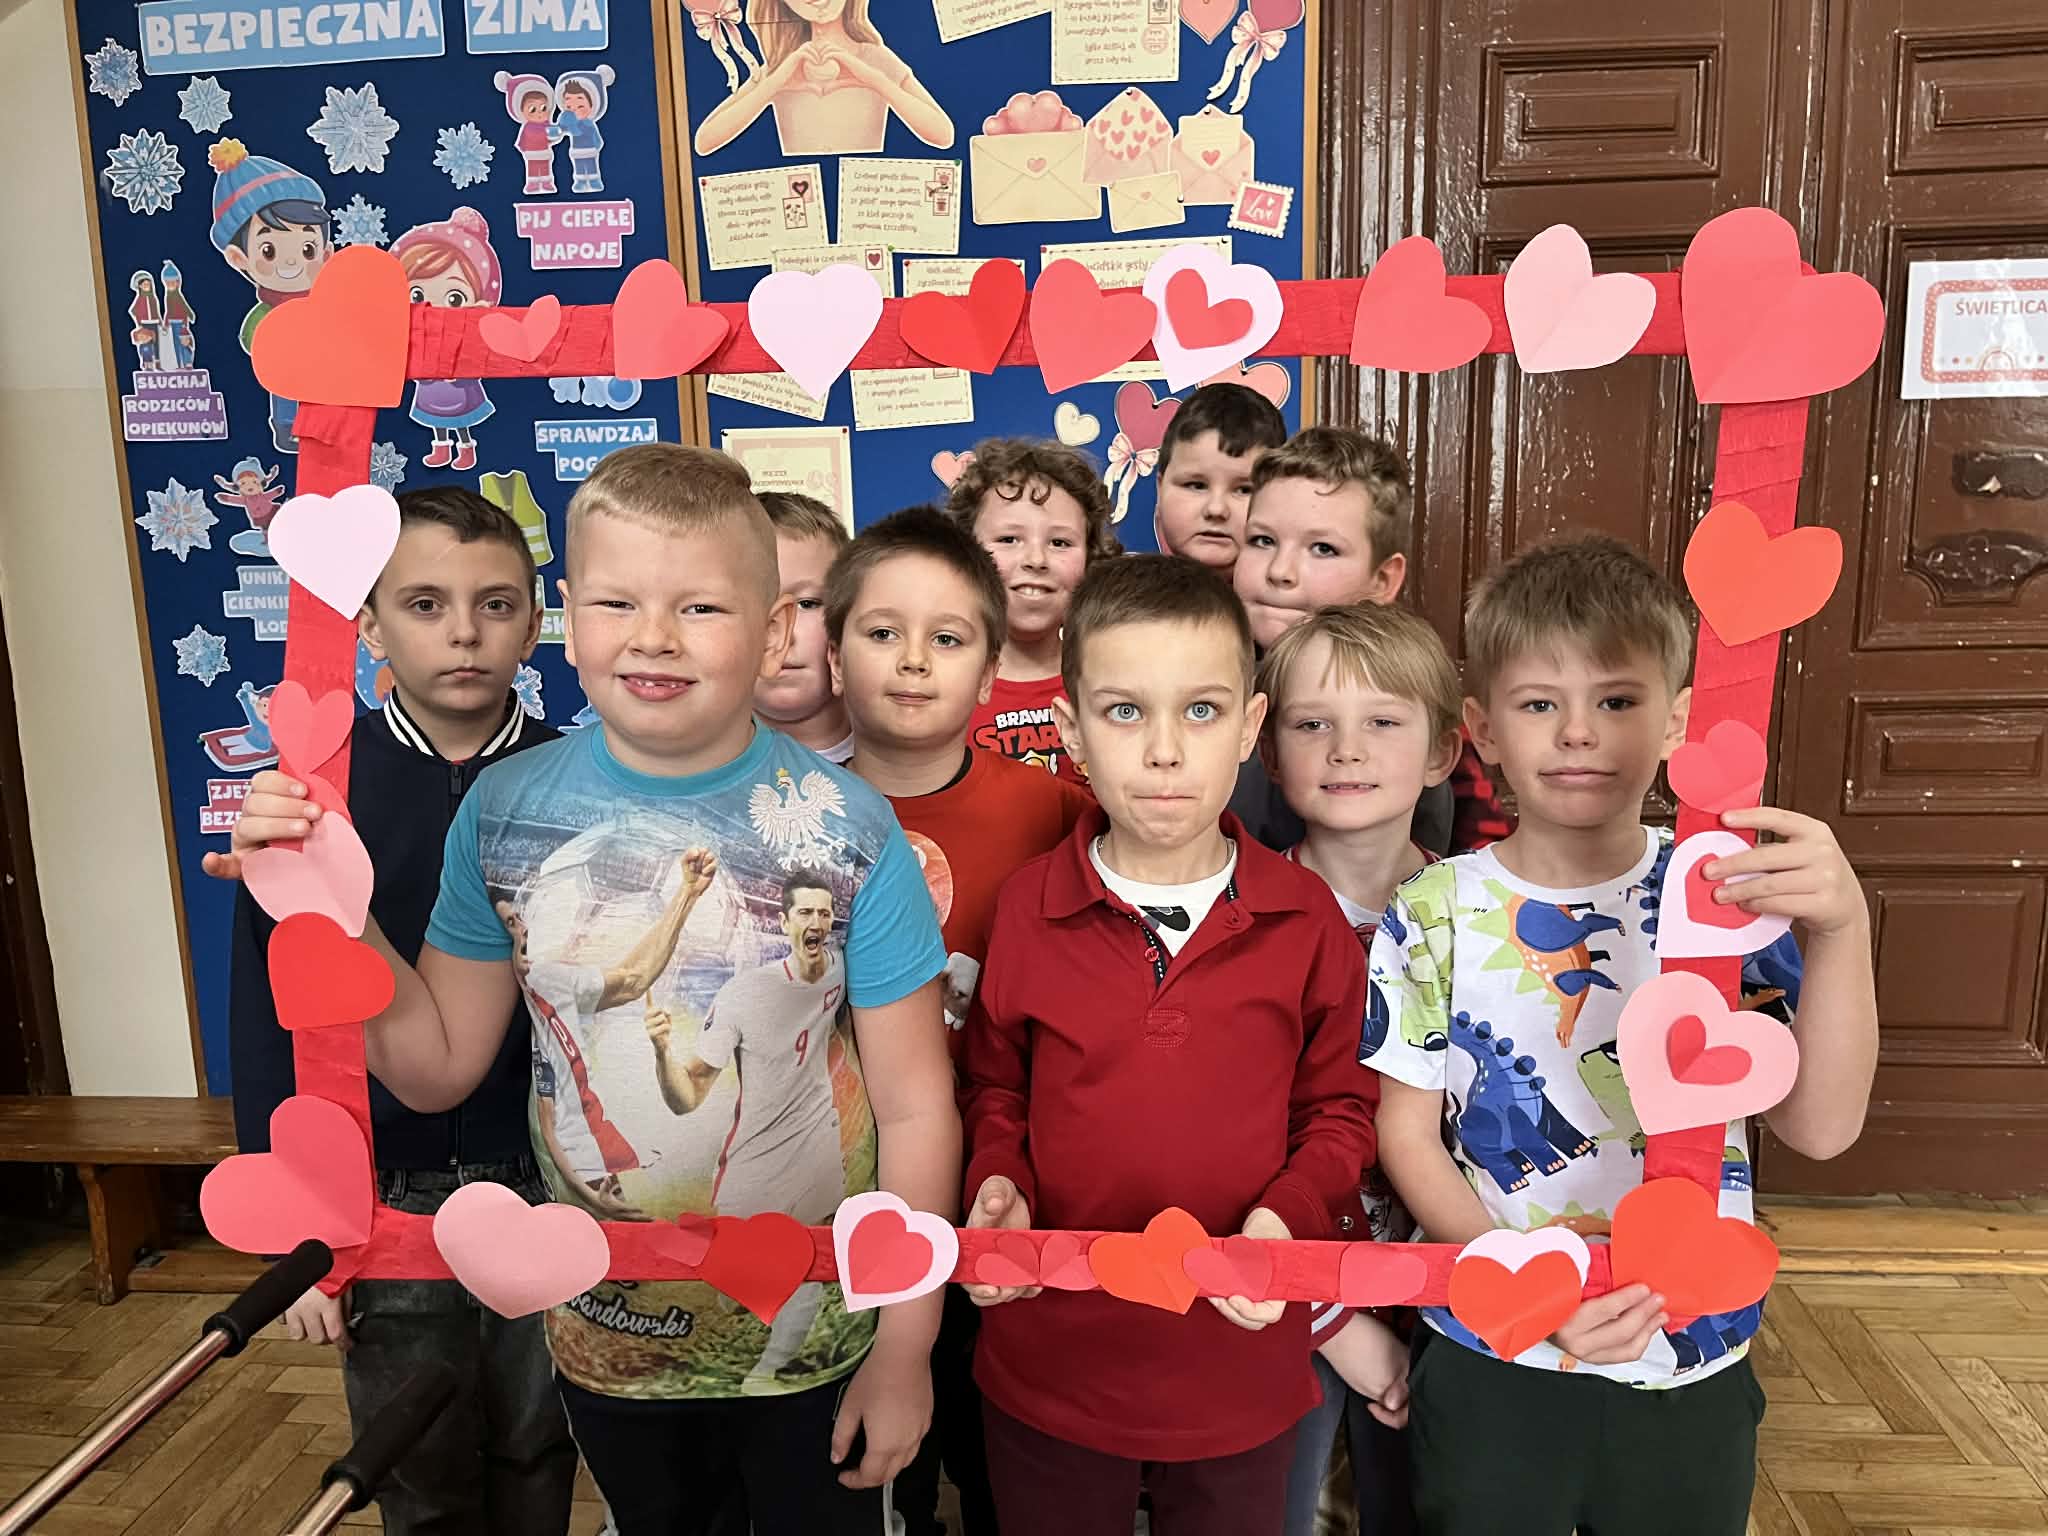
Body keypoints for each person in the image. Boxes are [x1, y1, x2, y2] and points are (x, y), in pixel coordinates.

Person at [224, 444, 956, 1535]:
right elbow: (434, 1070)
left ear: (772, 633)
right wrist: (331, 909)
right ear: (568, 618)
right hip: (609, 1332)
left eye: (699, 607)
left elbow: (915, 1104)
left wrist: (906, 1346)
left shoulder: (851, 826)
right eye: (617, 603)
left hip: (817, 1334)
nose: (653, 637)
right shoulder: (504, 810)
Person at [1364, 534, 1879, 1536]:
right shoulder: (1430, 907)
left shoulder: (1723, 894)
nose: (1576, 733)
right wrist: (1529, 1292)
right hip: (1494, 1349)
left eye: (1615, 700)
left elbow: (1820, 1129)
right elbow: (1406, 1134)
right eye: (1537, 704)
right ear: (1482, 730)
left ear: (1677, 719)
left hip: (1692, 1347)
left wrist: (1841, 928)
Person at [960, 555, 1377, 1536]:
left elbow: (1339, 1113)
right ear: (1069, 731)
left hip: (1239, 1362)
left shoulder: (1305, 918)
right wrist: (997, 1177)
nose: (1162, 752)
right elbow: (994, 1088)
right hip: (1051, 1361)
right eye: (1123, 712)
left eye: (1199, 712)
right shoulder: (1026, 907)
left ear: (1249, 726)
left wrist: (1286, 1218)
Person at [207, 487, 572, 1536]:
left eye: (496, 604)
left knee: (538, 1445)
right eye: (424, 604)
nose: (464, 632)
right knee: (413, 1470)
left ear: (533, 623)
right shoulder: (309, 798)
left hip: (548, 1180)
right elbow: (270, 1019)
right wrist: (301, 1227)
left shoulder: (579, 779)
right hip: (380, 1197)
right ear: (368, 626)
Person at [825, 504, 1092, 1536]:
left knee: (1002, 1460)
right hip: (847, 1192)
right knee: (867, 1464)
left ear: (988, 676)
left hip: (1004, 1188)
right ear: (834, 657)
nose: (911, 661)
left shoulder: (1052, 813)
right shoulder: (792, 811)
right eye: (881, 632)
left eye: (946, 638)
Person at [1257, 605, 1468, 1536]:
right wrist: (1332, 1322)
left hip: (1450, 1290)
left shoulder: (1485, 916)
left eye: (1382, 721)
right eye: (1312, 723)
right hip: (1286, 1291)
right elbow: (1221, 1150)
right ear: (1268, 748)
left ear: (1442, 750)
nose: (1346, 749)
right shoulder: (1242, 920)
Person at [1229, 426, 1511, 858]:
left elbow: (1481, 865)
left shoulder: (1416, 709)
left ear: (1383, 580)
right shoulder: (1200, 686)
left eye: (1322, 549)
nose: (1280, 571)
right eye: (1262, 541)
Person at [948, 438, 1122, 789]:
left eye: (1059, 543)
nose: (1036, 560)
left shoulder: (1117, 680)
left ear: (1090, 559)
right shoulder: (943, 686)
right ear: (965, 555)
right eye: (1009, 539)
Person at [693, 0, 954, 158]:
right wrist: (774, 84)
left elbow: (943, 135)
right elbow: (704, 142)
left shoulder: (873, 57)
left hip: (866, 198)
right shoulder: (781, 66)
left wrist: (875, 80)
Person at [206, 139, 331, 453]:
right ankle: (286, 427)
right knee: (285, 392)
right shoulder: (267, 312)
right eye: (269, 250)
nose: (291, 261)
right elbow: (251, 338)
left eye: (307, 249)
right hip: (285, 370)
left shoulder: (326, 304)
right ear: (239, 259)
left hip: (322, 375)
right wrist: (273, 345)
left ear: (326, 253)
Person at [394, 209, 502, 472]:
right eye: (416, 295)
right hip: (430, 390)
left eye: (454, 298)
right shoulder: (414, 337)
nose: (432, 308)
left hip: (459, 390)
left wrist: (460, 375)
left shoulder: (467, 337)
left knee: (461, 421)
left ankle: (465, 447)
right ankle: (441, 447)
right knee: (437, 422)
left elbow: (475, 362)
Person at [754, 490, 853, 762]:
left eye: (807, 604)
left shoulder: (898, 756)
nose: (783, 636)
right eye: (759, 603)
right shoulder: (693, 765)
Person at [1153, 382, 1288, 576]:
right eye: (1196, 486)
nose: (1216, 510)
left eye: (1244, 490)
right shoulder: (1124, 593)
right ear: (1160, 491)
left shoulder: (1292, 593)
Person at [495, 72, 562, 195]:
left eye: (543, 108)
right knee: (533, 168)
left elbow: (553, 137)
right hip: (531, 154)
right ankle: (533, 183)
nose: (539, 113)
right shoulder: (527, 128)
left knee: (545, 167)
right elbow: (522, 141)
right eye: (532, 109)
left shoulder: (547, 125)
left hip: (545, 152)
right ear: (521, 111)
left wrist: (557, 134)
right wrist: (524, 148)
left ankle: (547, 182)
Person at [555, 66, 616, 194]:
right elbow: (561, 130)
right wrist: (558, 129)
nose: (574, 110)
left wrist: (597, 145)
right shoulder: (569, 121)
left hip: (590, 151)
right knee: (579, 167)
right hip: (576, 151)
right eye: (569, 106)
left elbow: (596, 138)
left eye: (580, 106)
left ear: (593, 105)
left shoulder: (588, 124)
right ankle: (580, 181)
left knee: (591, 166)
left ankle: (594, 180)